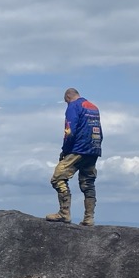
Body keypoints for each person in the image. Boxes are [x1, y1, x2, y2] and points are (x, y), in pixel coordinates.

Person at [46, 88, 102, 226]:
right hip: (94, 148)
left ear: (68, 97)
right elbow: (99, 129)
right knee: (88, 182)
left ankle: (64, 213)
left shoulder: (73, 106)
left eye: (66, 102)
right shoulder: (93, 107)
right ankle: (89, 218)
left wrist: (65, 150)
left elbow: (69, 131)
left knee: (58, 178)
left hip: (79, 148)